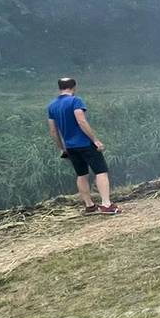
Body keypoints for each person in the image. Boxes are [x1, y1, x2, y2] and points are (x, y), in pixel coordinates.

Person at [48, 77, 121, 215]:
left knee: (81, 174)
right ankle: (106, 204)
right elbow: (81, 121)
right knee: (101, 171)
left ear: (59, 88)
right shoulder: (76, 101)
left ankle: (89, 206)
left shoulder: (52, 106)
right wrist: (95, 140)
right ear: (74, 87)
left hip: (70, 146)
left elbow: (53, 130)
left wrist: (62, 148)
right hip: (84, 143)